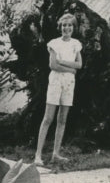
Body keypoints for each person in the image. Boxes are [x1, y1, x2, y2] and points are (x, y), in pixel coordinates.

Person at [34, 12, 82, 166]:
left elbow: (79, 65)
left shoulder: (76, 44)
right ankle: (38, 155)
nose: (66, 28)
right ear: (60, 27)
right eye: (63, 25)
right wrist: (70, 68)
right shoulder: (54, 43)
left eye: (69, 25)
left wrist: (62, 61)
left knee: (62, 119)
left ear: (73, 27)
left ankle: (56, 153)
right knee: (48, 118)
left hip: (69, 83)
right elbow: (53, 65)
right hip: (55, 81)